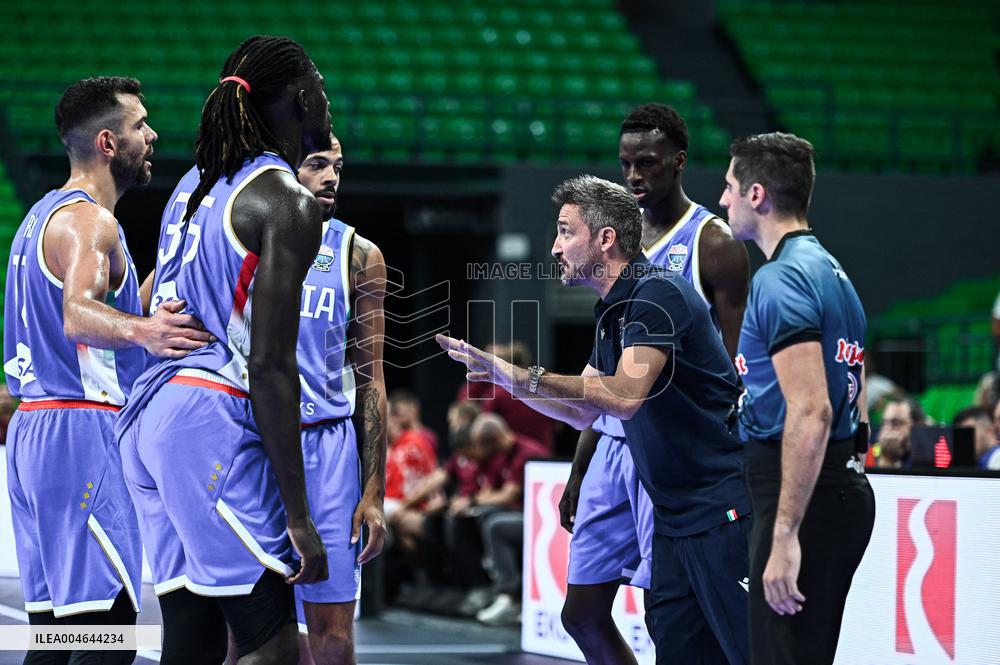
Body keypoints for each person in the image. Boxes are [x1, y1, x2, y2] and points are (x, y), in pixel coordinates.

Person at [438, 174, 751, 664]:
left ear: (606, 239)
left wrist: (527, 373)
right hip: (675, 517)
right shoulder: (615, 310)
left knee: (749, 651)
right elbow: (583, 409)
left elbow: (624, 397)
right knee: (678, 650)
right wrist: (508, 381)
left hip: (720, 509)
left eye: (566, 231)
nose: (556, 248)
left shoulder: (658, 295)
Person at [115, 37, 332, 665]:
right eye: (319, 87)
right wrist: (299, 515)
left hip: (149, 417)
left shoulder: (192, 184)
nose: (326, 100)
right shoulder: (285, 198)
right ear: (299, 98)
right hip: (208, 421)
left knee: (192, 636)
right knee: (273, 646)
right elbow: (269, 365)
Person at [3, 76, 210, 665]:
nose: (152, 134)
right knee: (109, 630)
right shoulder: (94, 224)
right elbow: (77, 316)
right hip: (82, 433)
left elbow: (95, 308)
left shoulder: (41, 218)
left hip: (34, 431)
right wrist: (148, 331)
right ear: (108, 143)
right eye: (140, 124)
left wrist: (153, 296)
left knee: (57, 632)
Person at [560, 103, 750, 663]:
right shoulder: (611, 245)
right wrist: (579, 467)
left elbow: (735, 370)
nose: (636, 174)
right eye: (626, 164)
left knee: (667, 614)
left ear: (679, 162)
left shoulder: (713, 244)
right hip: (617, 437)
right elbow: (604, 381)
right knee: (581, 612)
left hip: (672, 445)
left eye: (648, 162)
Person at [720, 132, 875, 665]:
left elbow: (813, 410)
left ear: (757, 194)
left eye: (729, 187)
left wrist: (785, 532)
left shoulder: (780, 278)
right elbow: (854, 389)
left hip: (802, 496)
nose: (723, 200)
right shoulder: (832, 270)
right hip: (835, 485)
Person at [293, 134, 389, 663]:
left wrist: (374, 491)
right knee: (253, 635)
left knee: (332, 637)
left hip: (328, 450)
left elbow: (372, 379)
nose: (332, 177)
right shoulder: (244, 240)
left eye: (338, 166)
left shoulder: (358, 254)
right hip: (255, 443)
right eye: (317, 165)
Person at [461, 413, 548, 626]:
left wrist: (479, 499)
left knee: (495, 526)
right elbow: (489, 492)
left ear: (495, 440)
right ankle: (495, 577)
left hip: (542, 519)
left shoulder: (527, 453)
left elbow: (506, 495)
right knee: (485, 514)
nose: (482, 453)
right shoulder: (502, 455)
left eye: (483, 446)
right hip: (520, 512)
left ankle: (507, 594)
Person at [867, 396, 925, 469]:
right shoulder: (870, 448)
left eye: (896, 423)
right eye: (884, 423)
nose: (887, 430)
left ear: (918, 425)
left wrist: (888, 460)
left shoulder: (928, 457)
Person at [954, 404, 999, 469]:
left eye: (968, 433)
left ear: (989, 429)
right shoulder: (981, 462)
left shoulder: (997, 459)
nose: (964, 441)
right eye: (960, 436)